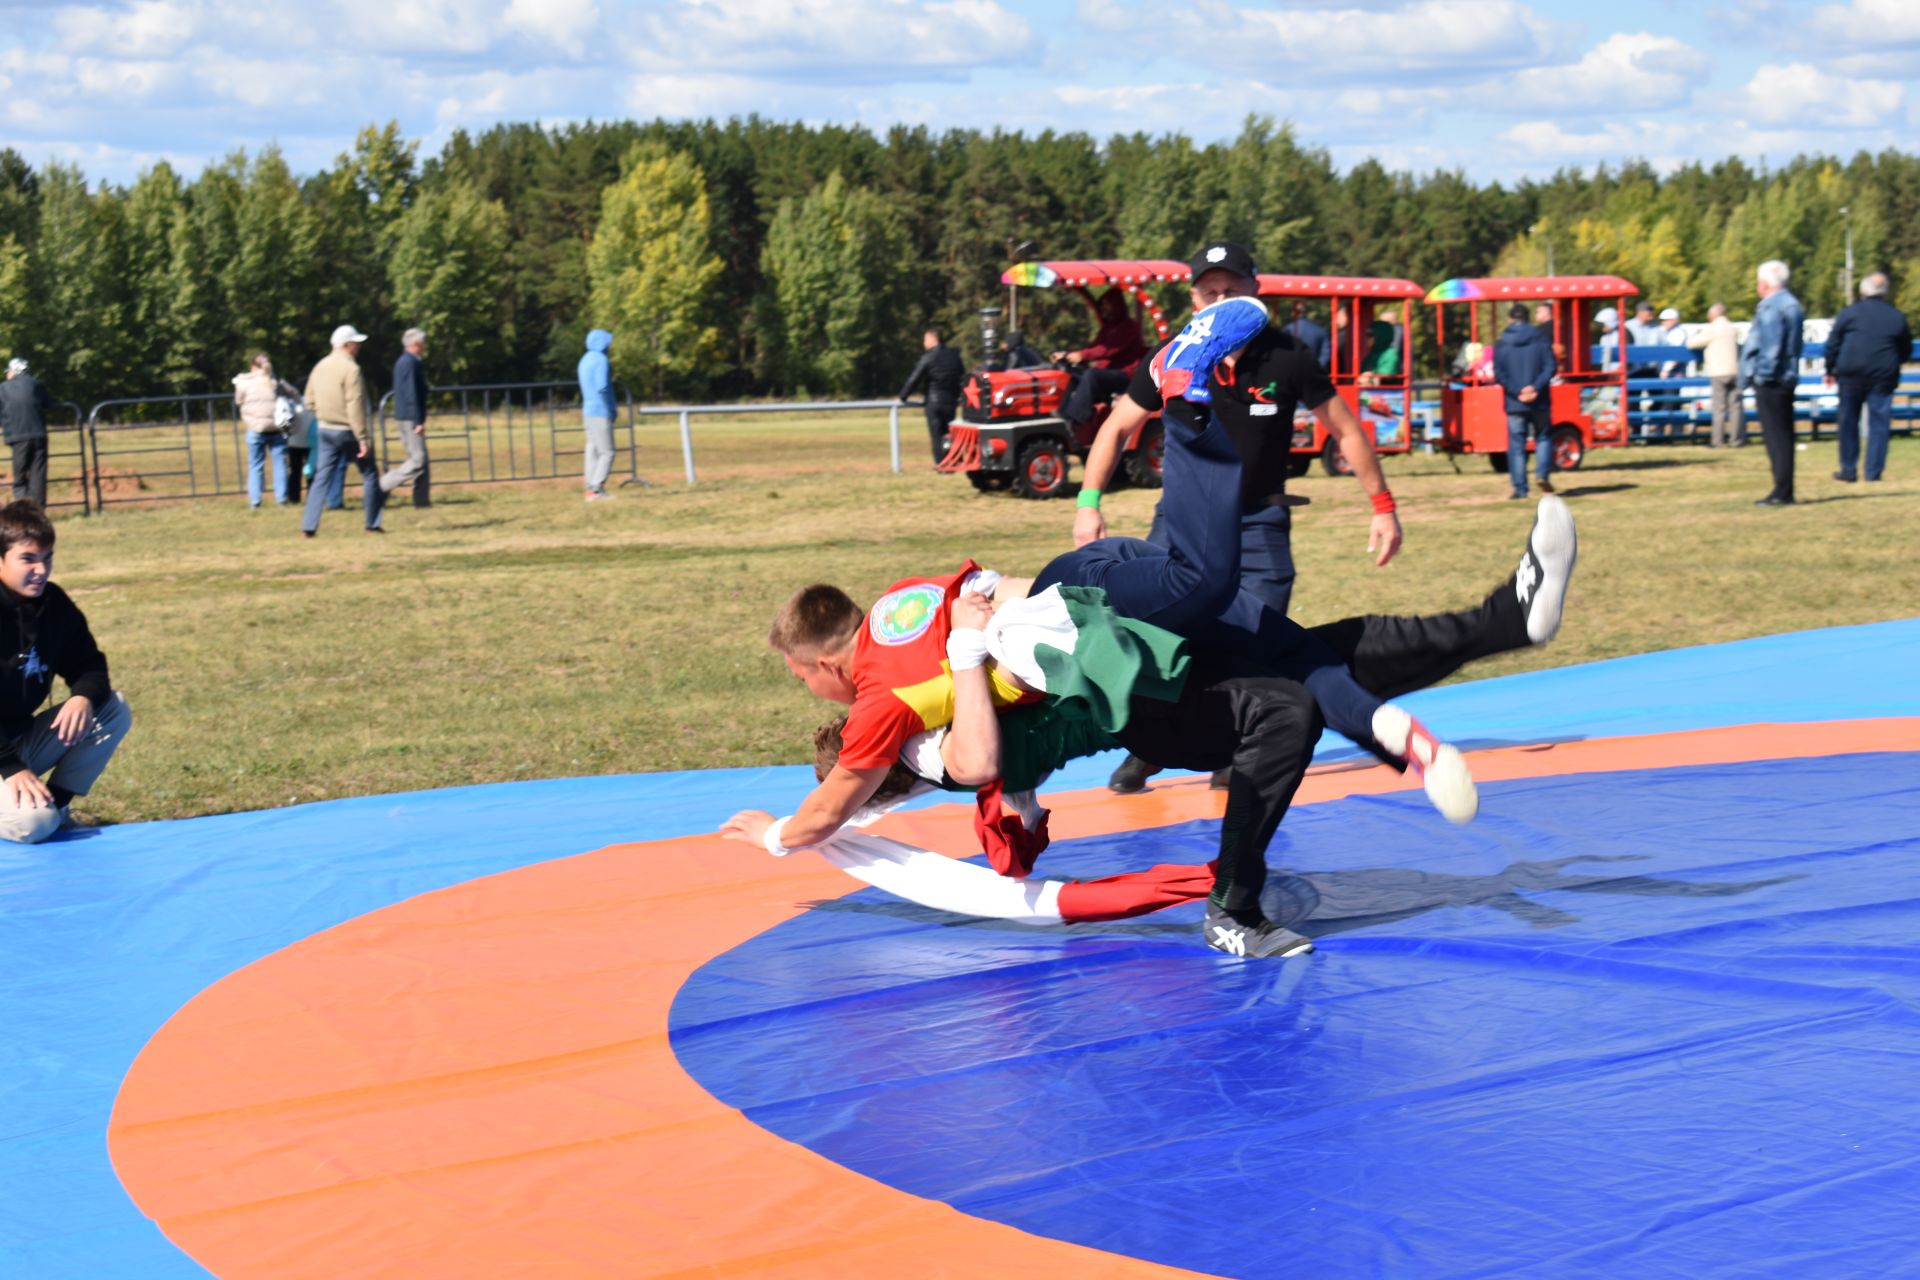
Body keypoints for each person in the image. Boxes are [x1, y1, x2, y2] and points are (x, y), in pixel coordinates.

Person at [1069, 242, 1403, 793]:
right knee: (1156, 643)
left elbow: (1345, 430)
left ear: (1255, 290)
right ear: (1194, 297)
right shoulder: (1170, 357)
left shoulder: (1288, 357)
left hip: (1258, 525)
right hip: (1179, 529)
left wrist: (1383, 507)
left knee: (1253, 646)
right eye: (1209, 291)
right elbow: (1117, 427)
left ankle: (1236, 747)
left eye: (1231, 289)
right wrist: (1088, 504)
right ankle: (1149, 750)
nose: (1219, 299)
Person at [0, 501, 132, 842]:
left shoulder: (53, 604)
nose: (41, 570)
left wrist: (83, 697)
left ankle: (57, 807)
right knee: (32, 825)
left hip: (17, 740)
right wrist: (10, 767)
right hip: (4, 755)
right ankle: (38, 813)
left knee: (112, 709)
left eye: (47, 558)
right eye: (28, 559)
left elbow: (90, 664)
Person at [1824, 272, 1912, 483]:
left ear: (1862, 291)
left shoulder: (1849, 313)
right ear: (1885, 293)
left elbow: (1833, 344)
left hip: (1851, 375)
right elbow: (1905, 349)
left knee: (1848, 421)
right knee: (1879, 424)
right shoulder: (1896, 316)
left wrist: (1830, 369)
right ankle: (1873, 472)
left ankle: (1848, 469)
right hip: (1883, 376)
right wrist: (1892, 363)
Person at [302, 324, 384, 536]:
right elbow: (354, 405)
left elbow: (308, 400)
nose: (359, 347)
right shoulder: (351, 369)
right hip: (348, 431)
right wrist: (363, 438)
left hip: (324, 429)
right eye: (356, 343)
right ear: (347, 345)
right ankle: (371, 524)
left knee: (321, 478)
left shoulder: (320, 366)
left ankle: (309, 527)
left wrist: (323, 413)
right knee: (370, 475)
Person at [1742, 260, 1806, 506]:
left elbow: (1770, 346)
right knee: (1785, 435)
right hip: (1787, 376)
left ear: (1765, 283)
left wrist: (1763, 375)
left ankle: (1781, 491)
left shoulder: (1771, 307)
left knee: (1775, 436)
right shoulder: (1793, 305)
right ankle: (1784, 488)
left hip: (1772, 379)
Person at [1055, 289, 1146, 428]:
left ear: (1116, 305)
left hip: (1124, 374)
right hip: (1108, 371)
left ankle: (1075, 421)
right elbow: (1094, 347)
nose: (1103, 308)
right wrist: (1068, 355)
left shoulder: (1129, 328)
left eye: (1106, 304)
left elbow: (1107, 349)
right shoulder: (1108, 328)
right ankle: (1062, 414)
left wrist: (1082, 355)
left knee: (1092, 375)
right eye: (1102, 305)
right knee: (1072, 374)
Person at [1494, 303, 1557, 500]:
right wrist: (1535, 387)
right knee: (1543, 437)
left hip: (1515, 402)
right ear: (1528, 318)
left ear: (1511, 319)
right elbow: (1550, 367)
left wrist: (1518, 391)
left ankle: (1520, 489)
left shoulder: (1502, 343)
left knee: (1516, 445)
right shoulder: (1541, 339)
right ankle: (1542, 474)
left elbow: (1499, 373)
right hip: (1540, 400)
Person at [232, 353, 301, 509]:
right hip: (277, 428)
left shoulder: (244, 383)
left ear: (252, 366)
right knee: (280, 464)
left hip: (256, 428)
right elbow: (295, 394)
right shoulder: (276, 381)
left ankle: (255, 501)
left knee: (255, 465)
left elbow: (238, 400)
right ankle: (282, 499)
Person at [380, 328, 431, 509]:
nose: (425, 346)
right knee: (418, 461)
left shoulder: (408, 361)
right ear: (416, 344)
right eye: (423, 343)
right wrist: (418, 421)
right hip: (410, 417)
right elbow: (410, 393)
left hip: (408, 415)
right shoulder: (408, 363)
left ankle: (422, 500)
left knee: (422, 460)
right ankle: (381, 486)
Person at [898, 329, 966, 462]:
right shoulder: (954, 355)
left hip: (933, 402)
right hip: (950, 401)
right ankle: (953, 460)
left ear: (932, 340)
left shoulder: (928, 357)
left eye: (925, 340)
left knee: (936, 435)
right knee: (949, 433)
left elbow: (914, 378)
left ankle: (941, 463)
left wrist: (903, 396)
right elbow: (962, 377)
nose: (924, 343)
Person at [1687, 302, 1743, 447]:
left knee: (1719, 408)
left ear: (1713, 315)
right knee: (1735, 407)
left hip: (1719, 371)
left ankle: (1717, 441)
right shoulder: (1732, 328)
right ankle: (1736, 439)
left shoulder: (1712, 328)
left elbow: (1692, 343)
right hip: (1735, 370)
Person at [0, 358, 53, 507]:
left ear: (13, 372)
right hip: (39, 435)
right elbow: (49, 404)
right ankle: (38, 510)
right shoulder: (36, 384)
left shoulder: (3, 388)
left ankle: (24, 511)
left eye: (8, 371)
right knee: (38, 475)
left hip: (18, 437)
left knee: (20, 477)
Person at [578, 328, 618, 501]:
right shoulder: (601, 360)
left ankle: (589, 487)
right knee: (607, 452)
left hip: (587, 411)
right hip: (600, 411)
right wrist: (611, 408)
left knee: (592, 449)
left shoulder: (585, 359)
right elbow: (602, 387)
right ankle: (596, 489)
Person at [1283, 301, 1331, 369]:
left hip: (1292, 370)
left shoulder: (1288, 329)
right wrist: (1316, 368)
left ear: (1293, 312)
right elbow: (1326, 354)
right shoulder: (1320, 331)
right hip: (1314, 372)